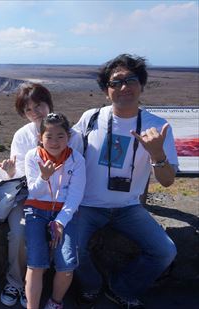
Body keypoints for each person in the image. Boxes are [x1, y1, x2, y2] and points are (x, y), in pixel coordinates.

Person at [73, 54, 178, 309]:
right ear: (106, 91)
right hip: (88, 205)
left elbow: (167, 181)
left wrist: (157, 154)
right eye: (115, 82)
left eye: (131, 80)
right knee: (71, 250)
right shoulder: (91, 119)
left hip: (129, 207)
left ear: (141, 85)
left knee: (165, 251)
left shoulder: (158, 126)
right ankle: (91, 285)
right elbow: (65, 152)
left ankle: (121, 287)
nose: (124, 87)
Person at [0, 83, 83, 307]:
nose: (35, 112)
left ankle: (37, 286)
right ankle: (17, 282)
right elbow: (21, 176)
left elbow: (76, 176)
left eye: (39, 106)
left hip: (62, 201)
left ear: (49, 104)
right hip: (30, 197)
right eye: (28, 110)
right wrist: (10, 172)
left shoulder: (72, 136)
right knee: (18, 232)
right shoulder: (22, 136)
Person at [23, 113, 85, 309]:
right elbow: (33, 191)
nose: (55, 142)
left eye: (60, 136)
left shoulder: (77, 160)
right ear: (40, 138)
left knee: (67, 265)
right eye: (49, 136)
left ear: (68, 137)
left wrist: (60, 221)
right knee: (36, 263)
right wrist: (44, 177)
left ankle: (55, 302)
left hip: (64, 214)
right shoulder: (33, 156)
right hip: (36, 211)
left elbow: (75, 196)